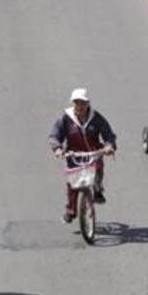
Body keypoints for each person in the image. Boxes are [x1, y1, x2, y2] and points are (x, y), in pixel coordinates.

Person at [49, 88, 116, 222]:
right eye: (77, 102)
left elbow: (109, 135)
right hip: (74, 155)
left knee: (98, 168)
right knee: (73, 183)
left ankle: (97, 189)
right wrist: (57, 149)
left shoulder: (96, 118)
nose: (80, 106)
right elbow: (54, 135)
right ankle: (71, 210)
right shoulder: (65, 118)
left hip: (93, 152)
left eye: (83, 103)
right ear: (72, 103)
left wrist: (109, 146)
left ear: (88, 103)